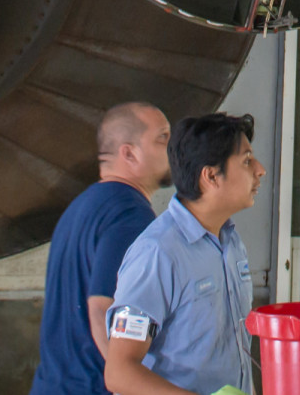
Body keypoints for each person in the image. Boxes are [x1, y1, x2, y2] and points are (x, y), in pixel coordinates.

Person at [104, 111, 264, 395]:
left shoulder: (230, 240)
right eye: (247, 161)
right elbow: (119, 372)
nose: (260, 170)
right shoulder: (157, 253)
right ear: (211, 176)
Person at [32, 102, 172, 395]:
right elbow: (102, 310)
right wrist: (135, 383)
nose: (173, 148)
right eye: (162, 137)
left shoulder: (81, 207)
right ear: (129, 153)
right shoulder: (130, 215)